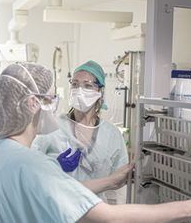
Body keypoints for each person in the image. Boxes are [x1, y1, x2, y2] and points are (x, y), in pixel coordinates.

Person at [0, 62, 191, 223]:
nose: (52, 105)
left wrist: (112, 181)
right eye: (48, 100)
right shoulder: (33, 164)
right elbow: (109, 217)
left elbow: (67, 193)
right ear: (32, 103)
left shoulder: (1, 152)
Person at [33, 60, 130, 203]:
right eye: (75, 84)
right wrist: (54, 164)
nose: (79, 90)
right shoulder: (52, 126)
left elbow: (119, 181)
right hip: (58, 207)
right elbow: (31, 166)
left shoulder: (112, 134)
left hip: (96, 211)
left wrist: (114, 213)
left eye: (87, 85)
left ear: (100, 91)